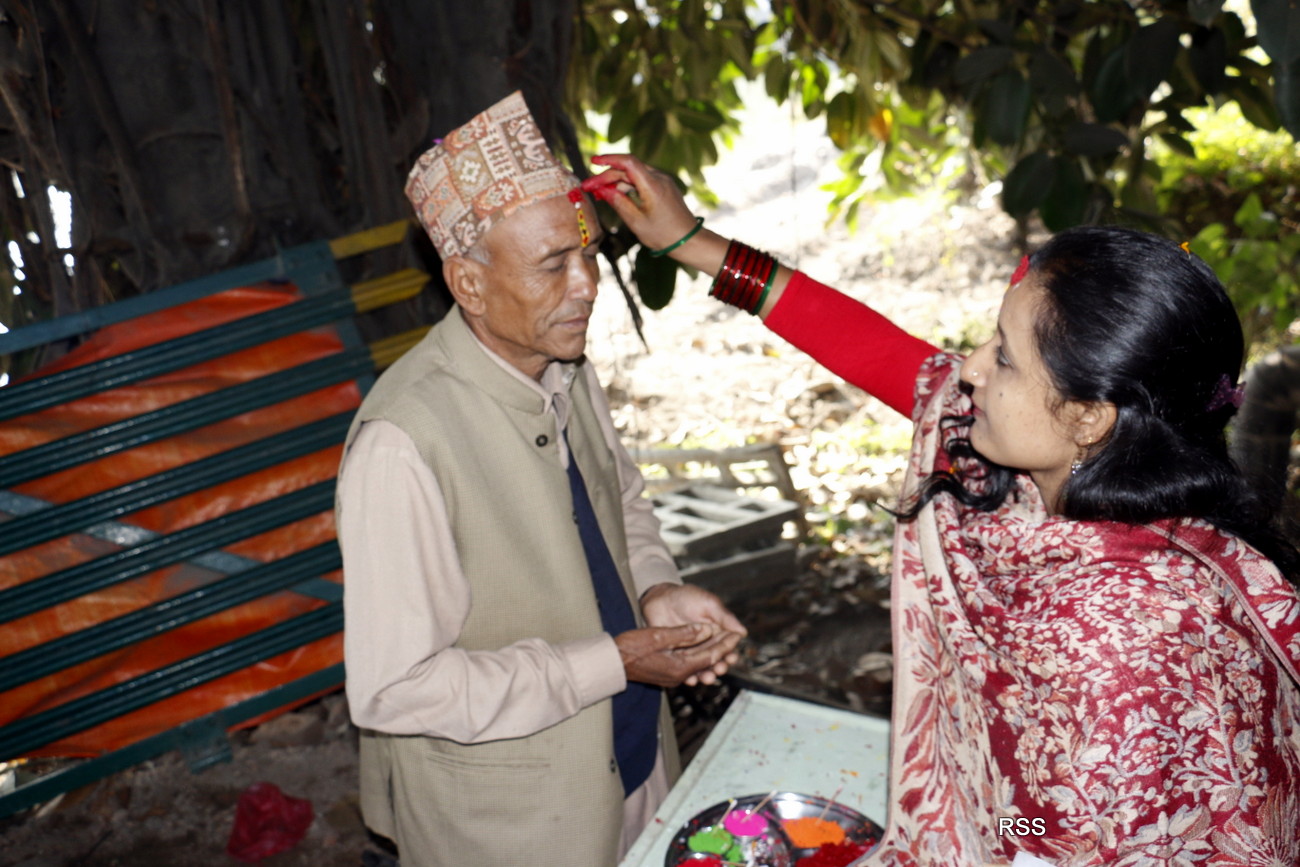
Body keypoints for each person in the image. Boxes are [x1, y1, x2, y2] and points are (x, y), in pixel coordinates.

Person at [582, 154, 1300, 866]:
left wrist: (973, 833)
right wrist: (689, 243)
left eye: (1005, 357)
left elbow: (1070, 843)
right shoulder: (1028, 474)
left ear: (1088, 416)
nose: (968, 367)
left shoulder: (1127, 635)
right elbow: (888, 356)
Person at [335, 95, 745, 867]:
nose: (587, 284)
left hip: (632, 759)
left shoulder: (564, 363)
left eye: (586, 252)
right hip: (510, 826)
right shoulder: (402, 444)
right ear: (469, 283)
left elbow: (618, 501)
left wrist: (657, 591)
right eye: (553, 265)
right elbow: (396, 689)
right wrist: (615, 660)